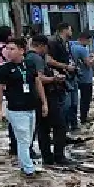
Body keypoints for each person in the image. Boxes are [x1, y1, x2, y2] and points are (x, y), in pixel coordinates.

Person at [0, 37, 45, 177]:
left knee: (28, 139)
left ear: (21, 50)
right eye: (7, 49)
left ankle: (24, 163)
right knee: (22, 139)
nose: (8, 52)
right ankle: (29, 169)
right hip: (16, 109)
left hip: (31, 106)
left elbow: (37, 83)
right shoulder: (4, 69)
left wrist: (44, 102)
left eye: (12, 49)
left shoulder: (29, 64)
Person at [30, 33, 69, 165]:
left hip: (35, 98)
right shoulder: (37, 59)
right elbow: (39, 79)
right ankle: (59, 156)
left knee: (43, 129)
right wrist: (54, 79)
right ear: (41, 46)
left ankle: (47, 157)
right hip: (46, 96)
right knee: (59, 126)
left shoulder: (27, 58)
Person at [47, 23, 79, 132]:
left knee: (74, 102)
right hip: (61, 76)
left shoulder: (66, 43)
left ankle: (73, 125)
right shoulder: (53, 42)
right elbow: (49, 60)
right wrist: (65, 66)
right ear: (64, 30)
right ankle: (62, 127)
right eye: (70, 29)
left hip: (70, 75)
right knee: (66, 104)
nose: (71, 32)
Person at [71, 30, 94, 128]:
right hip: (85, 78)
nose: (89, 43)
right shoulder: (82, 49)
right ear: (84, 39)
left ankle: (73, 121)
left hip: (76, 77)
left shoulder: (72, 46)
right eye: (89, 41)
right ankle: (83, 118)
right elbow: (88, 63)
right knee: (85, 99)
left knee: (74, 100)